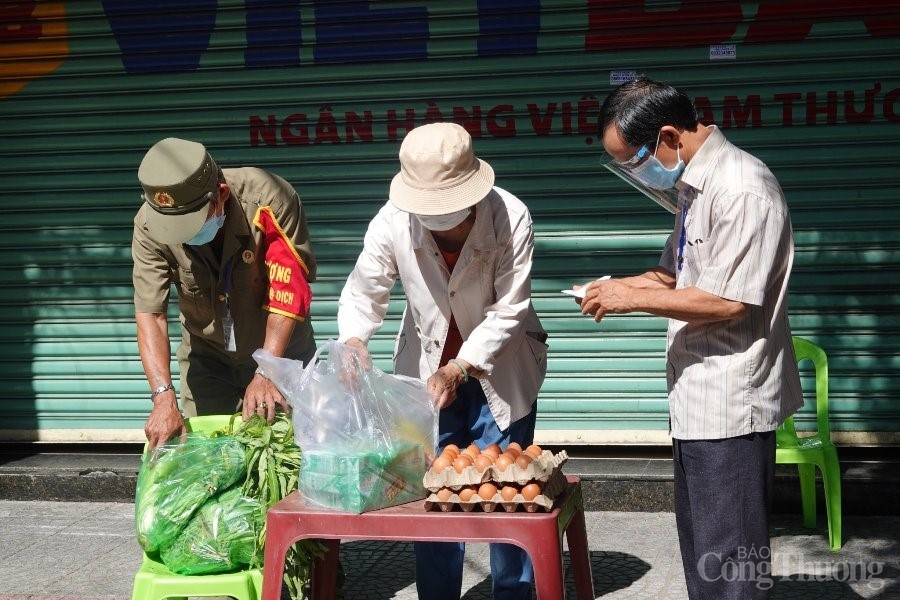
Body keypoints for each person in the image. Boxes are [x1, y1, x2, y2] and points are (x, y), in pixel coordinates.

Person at [579, 77, 804, 599]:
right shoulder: (694, 188)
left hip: (731, 404)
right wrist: (611, 287)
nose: (636, 172)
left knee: (730, 563)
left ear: (667, 137)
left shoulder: (742, 188)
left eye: (633, 159)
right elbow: (674, 274)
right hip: (698, 401)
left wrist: (627, 299)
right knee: (706, 555)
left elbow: (729, 300)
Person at [337, 122, 548, 600]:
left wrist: (460, 366)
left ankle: (514, 592)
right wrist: (353, 340)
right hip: (426, 374)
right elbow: (365, 288)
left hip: (502, 368)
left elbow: (511, 307)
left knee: (506, 495)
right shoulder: (393, 219)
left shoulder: (511, 215)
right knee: (433, 495)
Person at [132, 137, 317, 449]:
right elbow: (151, 312)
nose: (184, 236)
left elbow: (288, 291)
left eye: (190, 223)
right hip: (207, 356)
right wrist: (163, 396)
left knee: (289, 456)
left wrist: (268, 371)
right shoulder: (150, 224)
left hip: (280, 352)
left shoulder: (270, 200)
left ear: (221, 194)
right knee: (207, 457)